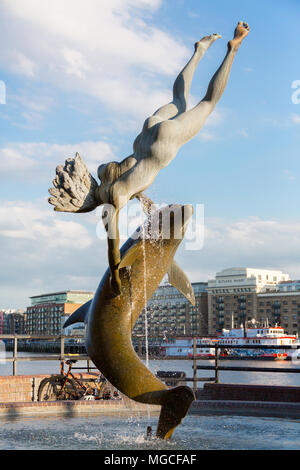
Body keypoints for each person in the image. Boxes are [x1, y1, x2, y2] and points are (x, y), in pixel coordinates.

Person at [49, 22, 250, 296]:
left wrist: (115, 275)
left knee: (208, 103)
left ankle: (232, 50)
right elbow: (142, 196)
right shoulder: (108, 174)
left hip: (163, 145)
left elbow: (112, 243)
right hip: (146, 133)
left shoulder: (114, 196)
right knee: (179, 98)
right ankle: (199, 52)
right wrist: (156, 216)